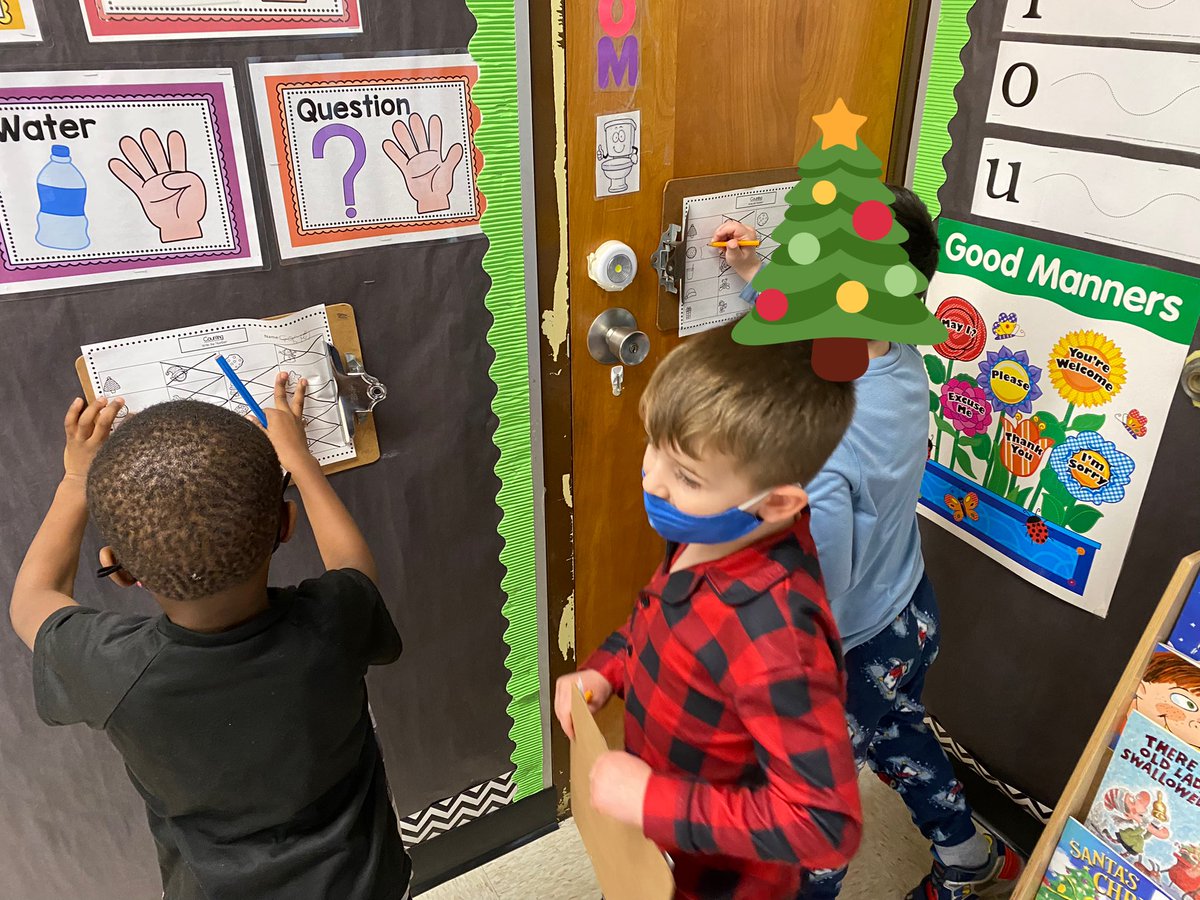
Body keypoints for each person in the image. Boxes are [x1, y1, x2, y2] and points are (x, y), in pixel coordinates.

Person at [712, 184, 1024, 899]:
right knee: (898, 733)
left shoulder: (823, 451)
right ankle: (970, 858)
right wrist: (756, 273)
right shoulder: (896, 352)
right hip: (907, 613)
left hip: (841, 652)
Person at [10, 378, 409, 900]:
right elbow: (355, 570)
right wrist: (299, 460)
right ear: (286, 526)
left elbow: (33, 598)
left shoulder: (114, 671)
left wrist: (75, 479)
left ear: (120, 570)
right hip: (365, 882)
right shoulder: (335, 621)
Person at [554, 328, 861, 899]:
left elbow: (827, 826)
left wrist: (654, 801)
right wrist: (607, 669)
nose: (653, 481)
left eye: (687, 477)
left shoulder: (777, 641)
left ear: (775, 504)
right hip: (656, 856)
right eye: (654, 448)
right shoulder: (708, 534)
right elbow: (664, 621)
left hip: (722, 883)